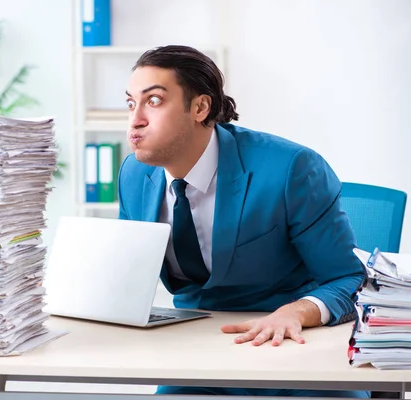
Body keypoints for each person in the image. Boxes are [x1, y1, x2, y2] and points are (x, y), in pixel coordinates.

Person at [117, 45, 368, 398]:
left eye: (153, 101)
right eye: (131, 103)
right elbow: (128, 274)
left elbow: (350, 277)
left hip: (293, 349)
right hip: (196, 351)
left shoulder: (290, 169)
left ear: (200, 107)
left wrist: (297, 312)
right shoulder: (134, 174)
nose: (136, 119)